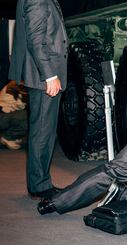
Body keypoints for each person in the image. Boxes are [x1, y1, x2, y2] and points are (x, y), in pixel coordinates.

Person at [8, 0, 68, 198]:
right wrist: (50, 76)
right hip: (44, 76)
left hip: (41, 75)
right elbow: (36, 39)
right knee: (43, 132)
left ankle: (40, 181)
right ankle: (40, 185)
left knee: (43, 131)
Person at [0, 81, 27, 149]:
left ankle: (10, 135)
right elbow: (22, 105)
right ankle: (7, 137)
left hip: (4, 114)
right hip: (3, 114)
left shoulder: (15, 83)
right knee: (29, 118)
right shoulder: (16, 86)